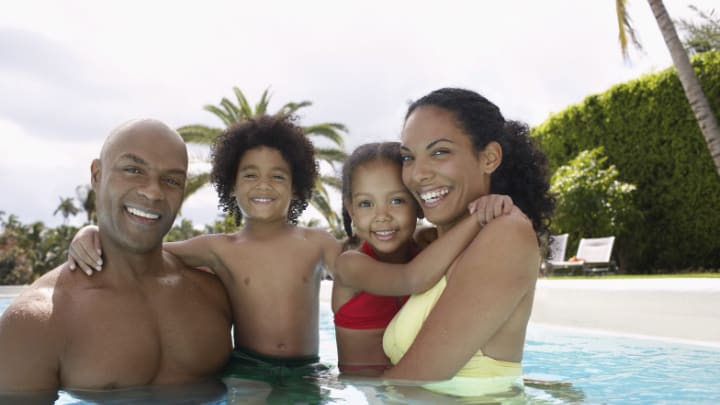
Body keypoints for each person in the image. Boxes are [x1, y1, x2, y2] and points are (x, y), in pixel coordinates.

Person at [67, 115, 341, 400]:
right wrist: (93, 232)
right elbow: (149, 250)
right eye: (250, 175)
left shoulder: (317, 242)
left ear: (296, 187)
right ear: (231, 186)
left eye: (277, 176)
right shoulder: (219, 248)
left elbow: (356, 271)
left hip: (307, 369)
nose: (263, 184)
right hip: (248, 367)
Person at [0, 119, 233, 394]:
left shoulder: (214, 293)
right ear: (97, 175)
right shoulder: (37, 322)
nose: (153, 191)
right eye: (133, 170)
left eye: (171, 180)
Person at [380, 87, 554, 398]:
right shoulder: (438, 245)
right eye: (408, 157)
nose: (417, 174)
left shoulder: (506, 234)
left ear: (489, 158)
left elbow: (412, 379)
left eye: (439, 152)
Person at [332, 142, 515, 377]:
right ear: (351, 210)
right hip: (361, 393)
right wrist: (478, 217)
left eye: (396, 200)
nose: (382, 216)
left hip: (414, 389)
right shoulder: (350, 266)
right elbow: (411, 278)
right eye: (366, 204)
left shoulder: (428, 251)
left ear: (419, 204)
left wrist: (490, 205)